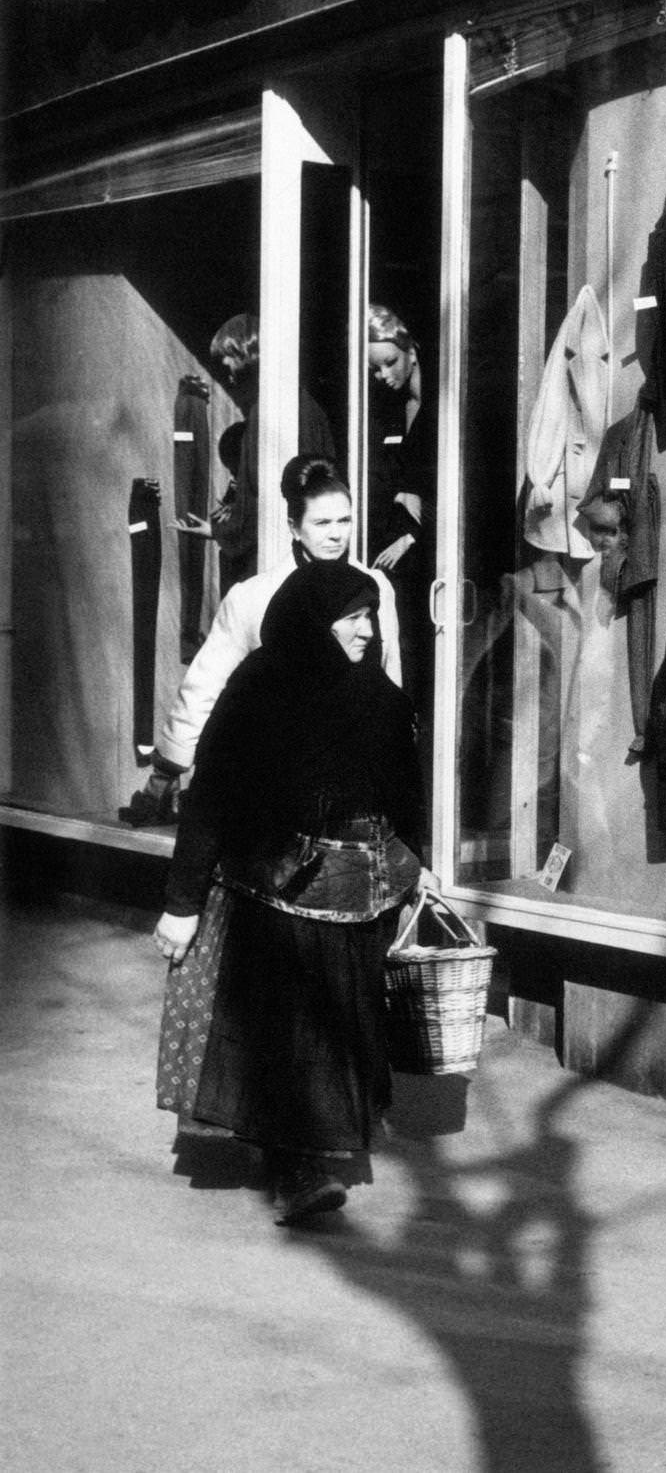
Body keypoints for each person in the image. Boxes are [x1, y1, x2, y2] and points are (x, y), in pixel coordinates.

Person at [152, 559, 429, 1225]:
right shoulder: (260, 688)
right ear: (314, 619)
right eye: (352, 616)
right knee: (288, 1032)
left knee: (341, 1030)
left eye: (371, 615)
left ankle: (307, 1155)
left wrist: (416, 866)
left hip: (359, 894)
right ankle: (295, 1169)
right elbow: (211, 797)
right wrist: (181, 903)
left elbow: (405, 798)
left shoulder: (383, 700)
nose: (367, 629)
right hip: (274, 892)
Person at [122, 456, 401, 825]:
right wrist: (166, 772)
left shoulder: (376, 588)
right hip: (277, 781)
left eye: (344, 520)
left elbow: (390, 682)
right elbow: (204, 686)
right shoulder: (253, 597)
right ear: (294, 527)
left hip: (355, 782)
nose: (336, 534)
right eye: (322, 523)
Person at [178, 314, 337, 593]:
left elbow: (260, 496)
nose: (226, 370)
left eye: (227, 359)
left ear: (246, 354)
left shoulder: (269, 411)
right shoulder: (298, 404)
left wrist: (221, 531)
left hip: (278, 559)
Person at [366, 304, 437, 706]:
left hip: (433, 548)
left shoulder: (441, 404)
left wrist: (412, 536)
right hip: (403, 547)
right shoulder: (392, 408)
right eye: (375, 369)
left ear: (410, 350)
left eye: (390, 362)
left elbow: (455, 488)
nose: (384, 375)